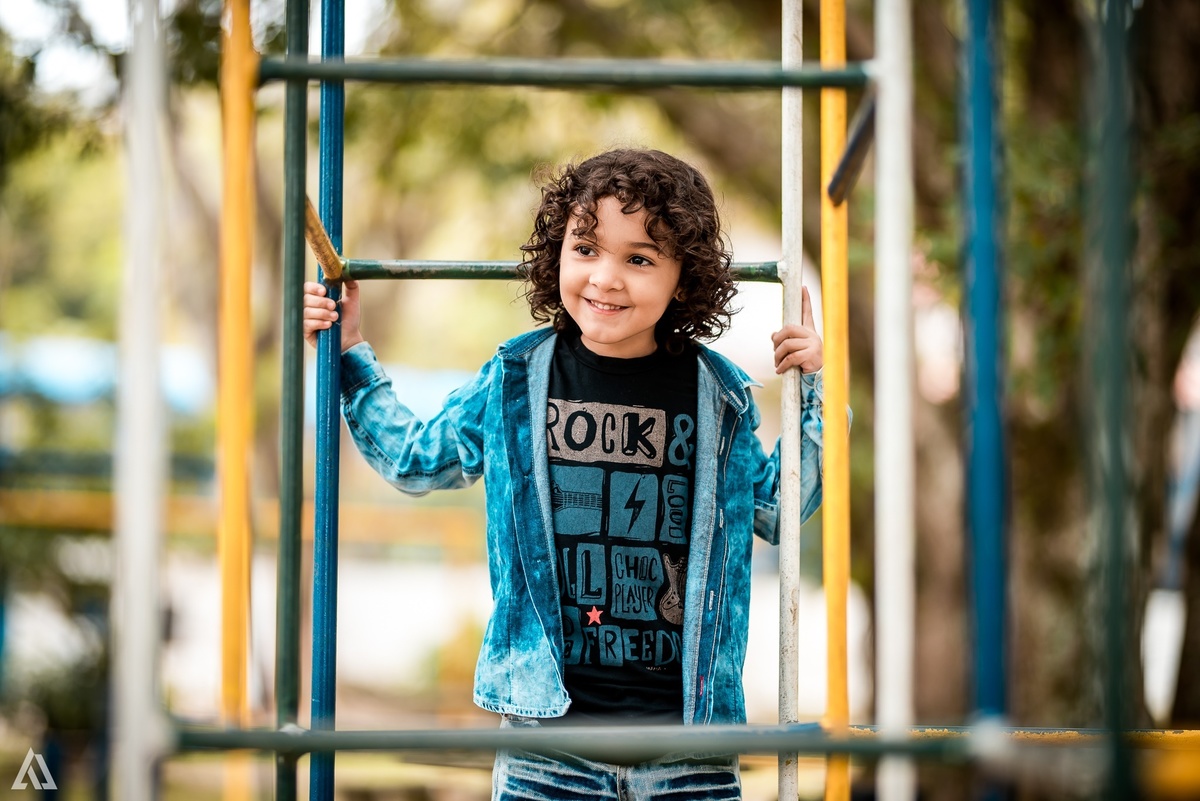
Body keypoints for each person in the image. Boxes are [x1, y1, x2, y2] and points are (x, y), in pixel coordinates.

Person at [303, 148, 827, 800]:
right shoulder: (516, 378)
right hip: (549, 742)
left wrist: (814, 395)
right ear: (557, 255)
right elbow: (416, 459)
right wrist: (351, 353)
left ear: (682, 277)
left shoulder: (717, 395)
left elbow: (779, 510)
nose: (605, 277)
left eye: (638, 258)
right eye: (586, 248)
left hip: (689, 745)